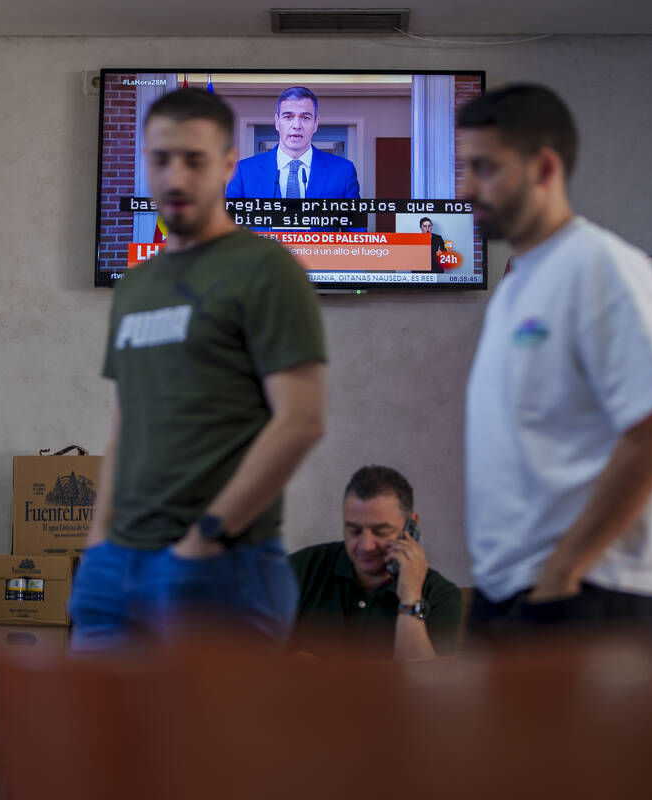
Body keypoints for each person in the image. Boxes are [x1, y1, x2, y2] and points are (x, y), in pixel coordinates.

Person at [68, 88, 327, 651]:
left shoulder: (266, 270)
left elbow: (301, 420)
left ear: (229, 165)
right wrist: (97, 548)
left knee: (210, 743)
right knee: (99, 741)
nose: (176, 177)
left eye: (195, 159)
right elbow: (123, 423)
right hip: (115, 570)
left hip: (220, 570)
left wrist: (206, 537)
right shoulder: (136, 284)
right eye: (161, 159)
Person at [459, 84, 652, 646]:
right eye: (464, 168)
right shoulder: (515, 292)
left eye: (484, 167)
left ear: (544, 168)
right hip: (514, 593)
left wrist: (564, 570)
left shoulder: (603, 267)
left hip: (589, 594)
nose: (466, 187)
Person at [288, 466, 464, 660]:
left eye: (381, 531)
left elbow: (424, 686)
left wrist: (411, 599)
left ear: (411, 525)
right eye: (354, 530)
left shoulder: (440, 596)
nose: (365, 546)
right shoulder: (298, 570)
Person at [225, 86, 360, 201]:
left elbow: (355, 231)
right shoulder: (243, 171)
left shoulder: (343, 171)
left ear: (316, 123)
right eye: (288, 117)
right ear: (277, 122)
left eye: (305, 117)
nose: (296, 125)